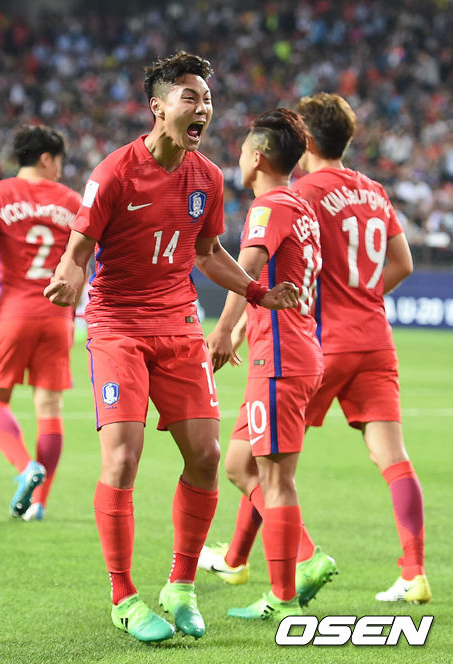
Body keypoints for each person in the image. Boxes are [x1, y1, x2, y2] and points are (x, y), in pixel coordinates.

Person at [44, 51, 299, 644]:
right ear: (158, 107)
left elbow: (208, 253)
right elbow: (79, 252)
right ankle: (123, 597)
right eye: (191, 97)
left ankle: (181, 586)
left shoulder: (207, 178)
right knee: (123, 458)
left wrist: (257, 293)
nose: (203, 107)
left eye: (207, 99)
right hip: (117, 326)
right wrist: (67, 279)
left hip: (179, 324)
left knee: (207, 456)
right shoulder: (114, 173)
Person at [201, 93, 430, 606]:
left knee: (262, 462)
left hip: (314, 341)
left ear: (304, 141)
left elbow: (265, 267)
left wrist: (232, 329)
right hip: (375, 337)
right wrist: (363, 296)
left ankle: (250, 561)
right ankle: (414, 572)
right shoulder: (373, 191)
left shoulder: (298, 193)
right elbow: (403, 264)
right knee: (391, 457)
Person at [200, 107, 325, 625]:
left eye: (242, 151)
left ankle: (285, 594)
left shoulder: (269, 206)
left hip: (280, 358)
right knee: (238, 465)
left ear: (257, 157)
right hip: (288, 351)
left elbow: (247, 270)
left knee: (277, 480)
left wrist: (223, 329)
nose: (238, 159)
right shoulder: (300, 206)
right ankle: (300, 555)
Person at [0, 125, 82, 522]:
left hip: (14, 313)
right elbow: (83, 259)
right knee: (50, 408)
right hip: (58, 315)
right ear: (46, 158)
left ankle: (25, 466)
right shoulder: (72, 201)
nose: (61, 170)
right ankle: (39, 503)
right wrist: (73, 308)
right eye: (59, 161)